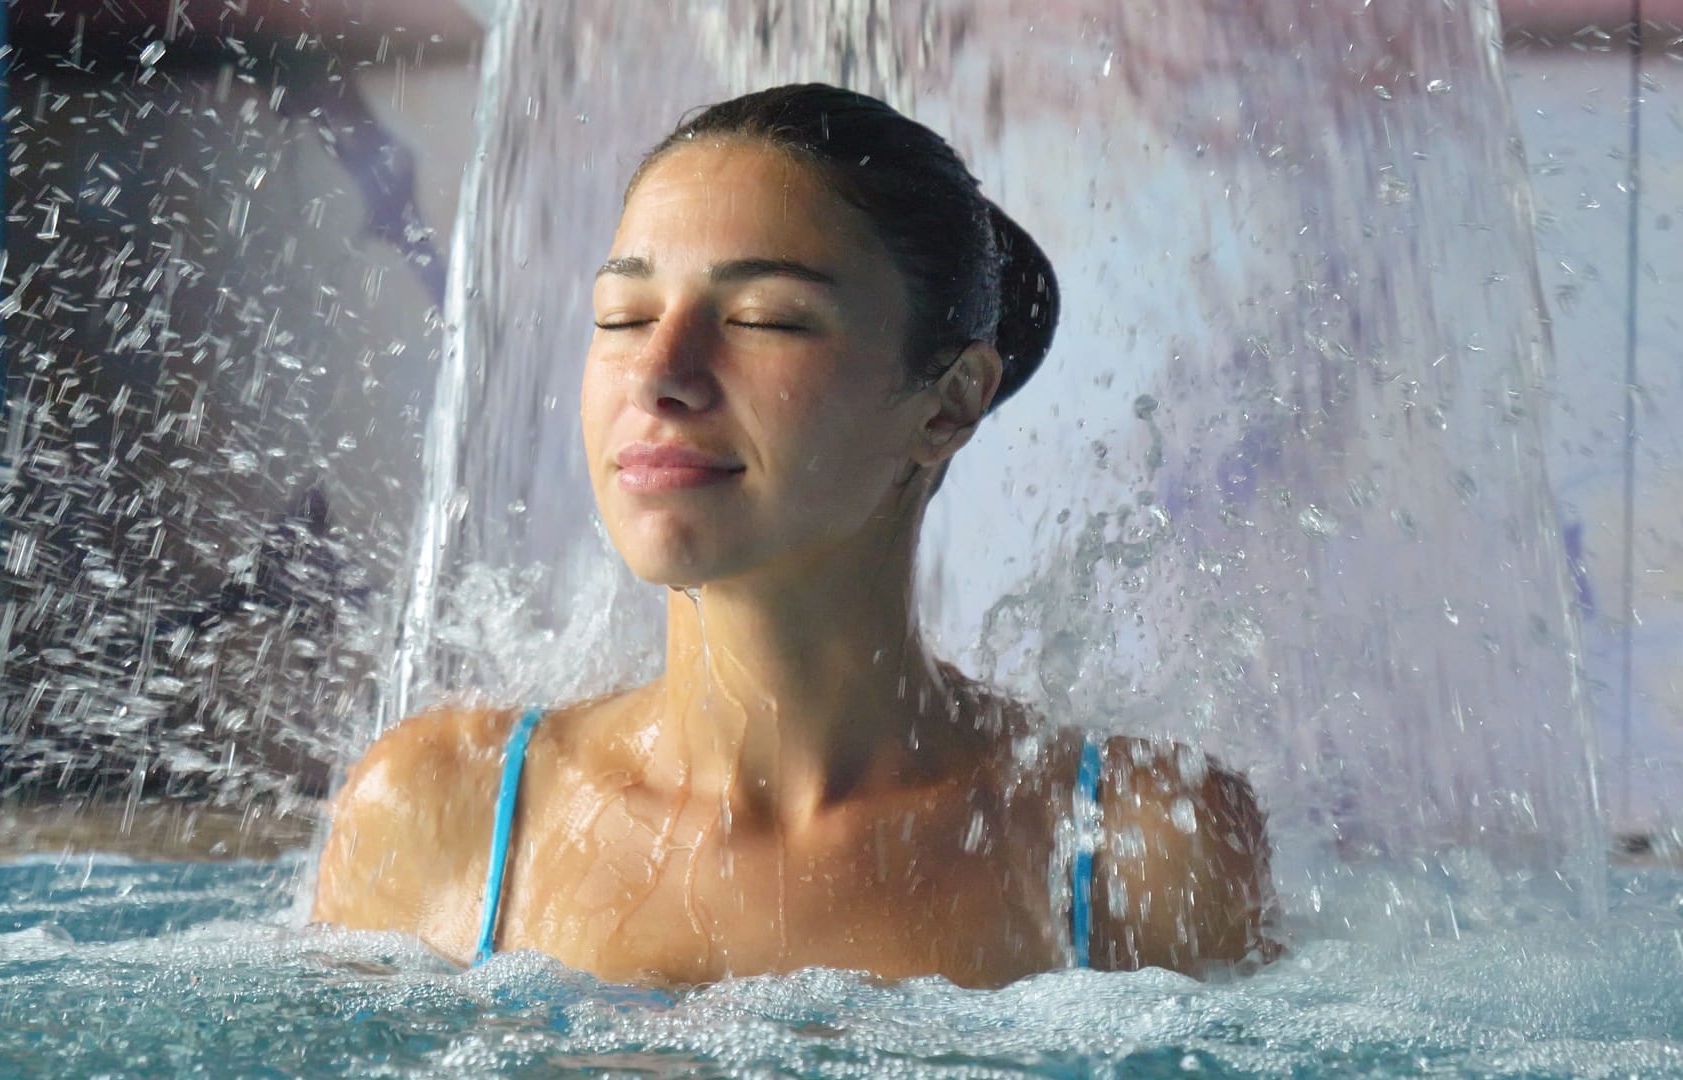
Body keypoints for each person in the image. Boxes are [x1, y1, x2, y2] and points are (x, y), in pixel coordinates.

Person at [312, 83, 1275, 989]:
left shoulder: (1137, 847)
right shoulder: (443, 813)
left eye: (764, 319)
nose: (659, 374)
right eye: (624, 316)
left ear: (950, 403)